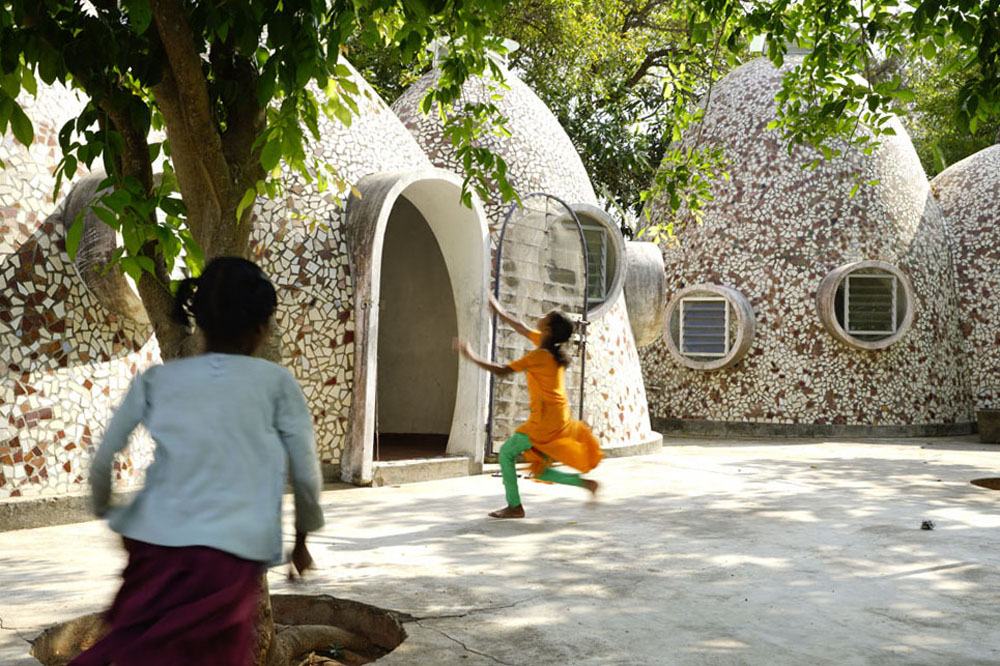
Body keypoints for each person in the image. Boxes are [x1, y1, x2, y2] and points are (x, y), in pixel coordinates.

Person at [71, 257, 324, 666]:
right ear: (262, 327)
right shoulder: (277, 384)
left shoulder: (157, 380)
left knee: (138, 649)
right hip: (226, 558)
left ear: (200, 320)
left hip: (152, 545)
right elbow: (308, 477)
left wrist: (111, 513)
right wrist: (301, 543)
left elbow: (103, 461)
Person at [455, 293, 603, 518]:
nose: (542, 316)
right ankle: (585, 485)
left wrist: (470, 355)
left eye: (547, 316)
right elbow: (522, 328)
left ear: (548, 330)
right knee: (540, 469)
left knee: (506, 453)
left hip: (543, 423)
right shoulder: (548, 348)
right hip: (558, 417)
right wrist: (499, 311)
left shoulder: (541, 356)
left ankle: (514, 506)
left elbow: (502, 370)